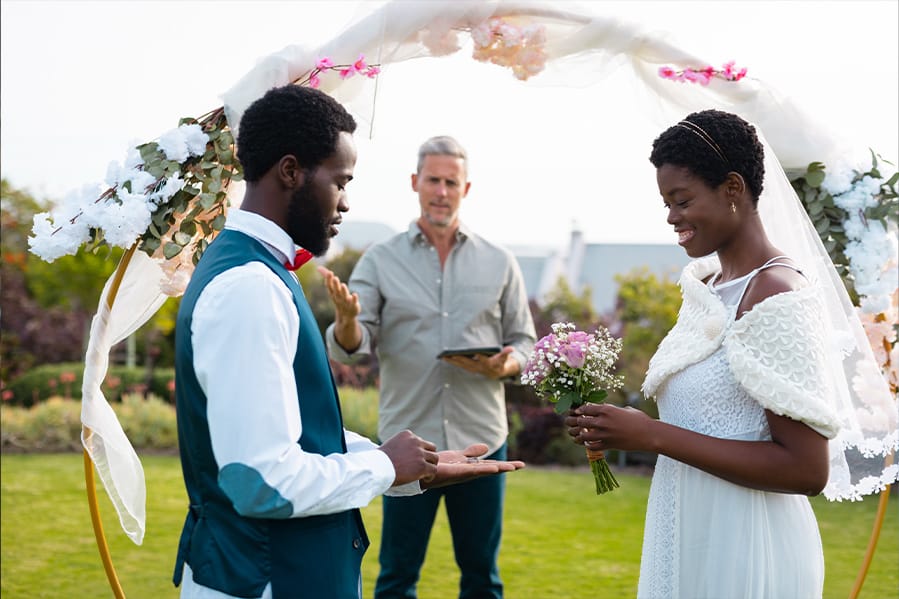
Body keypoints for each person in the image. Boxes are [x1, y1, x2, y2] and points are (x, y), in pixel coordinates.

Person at [172, 86, 524, 599]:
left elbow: (295, 436)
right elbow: (260, 480)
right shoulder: (251, 286)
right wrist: (385, 465)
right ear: (291, 172)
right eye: (340, 181)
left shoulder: (259, 270)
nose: (346, 200)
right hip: (268, 579)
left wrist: (411, 466)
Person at [567, 109, 846, 598]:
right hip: (687, 529)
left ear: (732, 189)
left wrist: (651, 434)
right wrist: (617, 428)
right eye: (666, 203)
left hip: (747, 543)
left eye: (682, 200)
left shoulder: (775, 293)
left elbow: (807, 470)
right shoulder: (707, 288)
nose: (672, 217)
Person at [321, 135, 536, 599]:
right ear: (416, 183)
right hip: (408, 447)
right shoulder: (380, 260)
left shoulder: (500, 262)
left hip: (482, 443)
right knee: (397, 577)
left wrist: (508, 363)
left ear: (466, 188)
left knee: (483, 577)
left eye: (451, 182)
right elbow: (351, 348)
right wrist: (346, 321)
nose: (441, 191)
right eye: (433, 180)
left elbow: (526, 342)